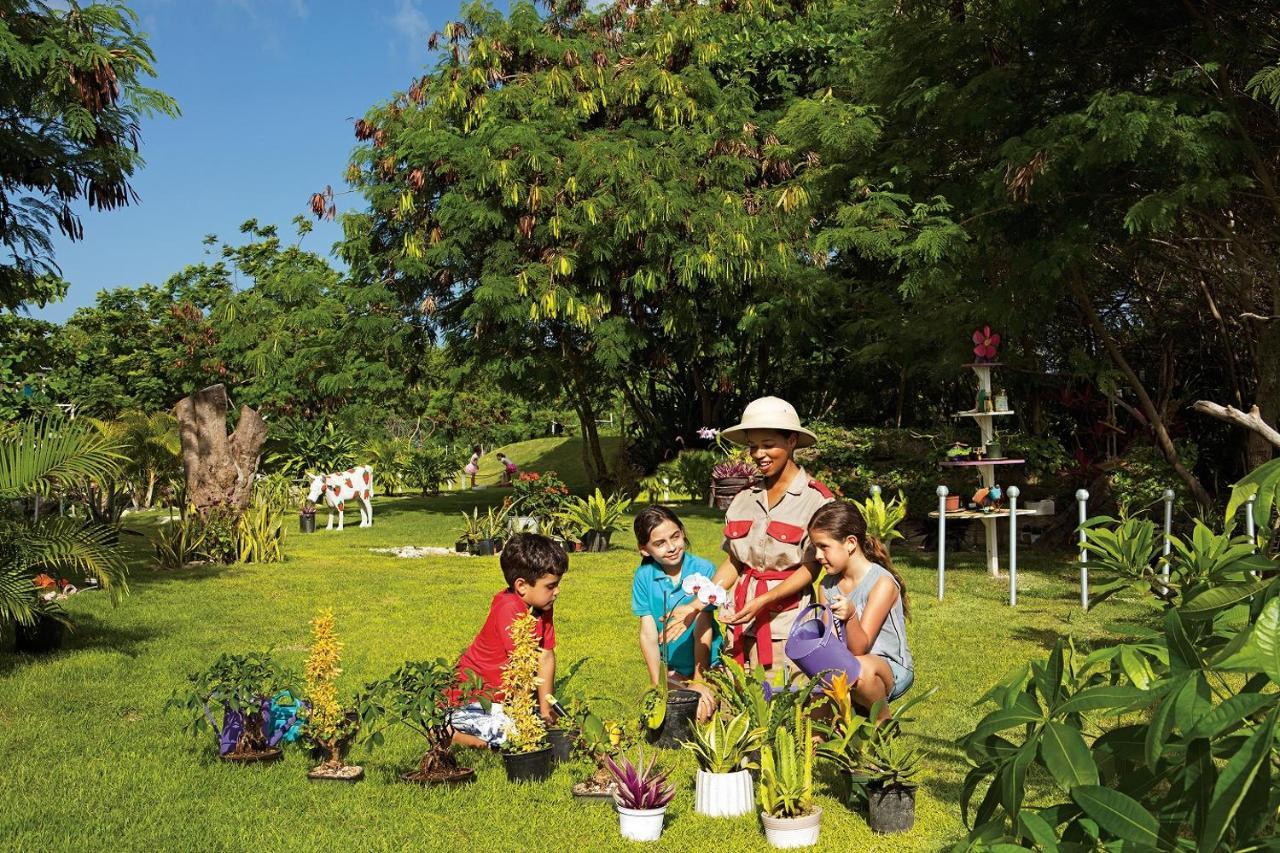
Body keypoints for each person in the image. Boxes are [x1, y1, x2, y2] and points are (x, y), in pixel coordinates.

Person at [661, 397, 834, 676]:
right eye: (753, 446)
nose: (759, 454)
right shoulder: (743, 499)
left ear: (791, 441)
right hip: (740, 622)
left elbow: (812, 568)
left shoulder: (816, 501)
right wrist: (697, 603)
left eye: (768, 444)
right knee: (738, 706)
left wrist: (763, 601)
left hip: (786, 626)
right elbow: (734, 562)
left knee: (782, 705)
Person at [451, 533, 568, 748]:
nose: (557, 591)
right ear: (522, 586)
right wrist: (524, 718)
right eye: (551, 586)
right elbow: (521, 667)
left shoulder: (541, 606)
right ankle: (453, 735)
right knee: (514, 737)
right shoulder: (509, 608)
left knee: (551, 729)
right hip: (473, 701)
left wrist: (545, 709)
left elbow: (545, 655)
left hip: (503, 702)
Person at [808, 501, 914, 719]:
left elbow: (859, 648)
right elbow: (831, 644)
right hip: (849, 662)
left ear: (850, 543)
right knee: (819, 680)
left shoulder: (882, 583)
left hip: (889, 667)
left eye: (823, 546)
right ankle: (817, 743)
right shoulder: (826, 587)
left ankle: (883, 723)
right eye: (814, 548)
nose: (817, 555)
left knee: (859, 669)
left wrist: (851, 616)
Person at [630, 506, 721, 720]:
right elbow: (648, 635)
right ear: (644, 549)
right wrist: (656, 685)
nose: (671, 547)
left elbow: (703, 629)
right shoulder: (643, 576)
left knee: (701, 712)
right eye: (660, 543)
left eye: (675, 537)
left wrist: (700, 681)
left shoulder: (704, 569)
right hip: (673, 670)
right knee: (671, 711)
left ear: (683, 532)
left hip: (709, 665)